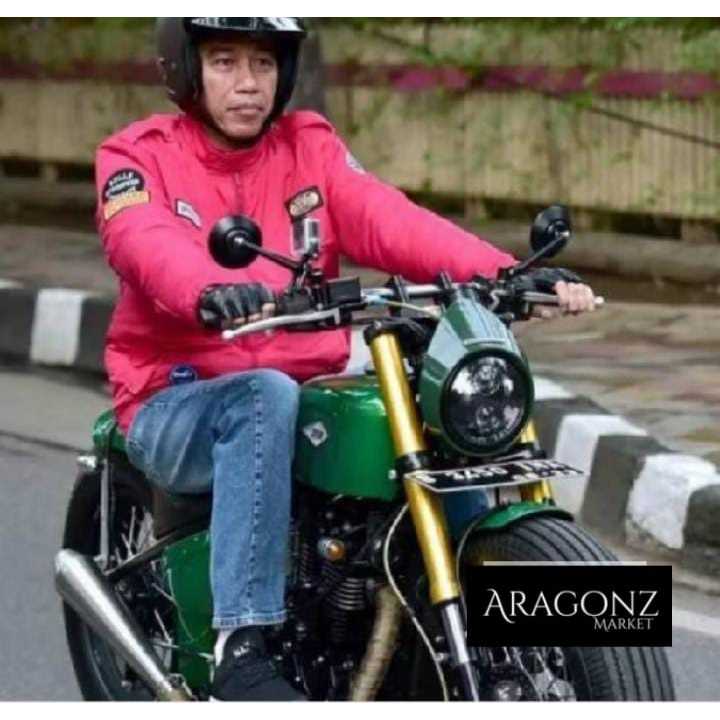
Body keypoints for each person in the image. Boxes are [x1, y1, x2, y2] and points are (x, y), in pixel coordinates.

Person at [96, 17, 597, 702]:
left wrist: (507, 273)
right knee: (263, 394)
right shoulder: (137, 156)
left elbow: (389, 218)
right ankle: (242, 644)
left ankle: (465, 607)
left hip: (306, 385)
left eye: (263, 64)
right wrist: (207, 289)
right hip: (176, 395)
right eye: (224, 62)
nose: (248, 83)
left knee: (412, 411)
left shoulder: (310, 148)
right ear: (186, 69)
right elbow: (143, 239)